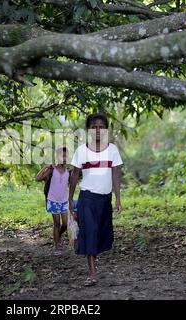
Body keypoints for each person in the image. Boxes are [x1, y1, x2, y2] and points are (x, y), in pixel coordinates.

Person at [69, 113, 123, 286]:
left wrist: (118, 199)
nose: (98, 130)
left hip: (104, 200)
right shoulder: (81, 151)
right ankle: (92, 273)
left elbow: (115, 174)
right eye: (94, 127)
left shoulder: (112, 150)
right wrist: (70, 199)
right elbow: (75, 176)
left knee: (100, 234)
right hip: (87, 199)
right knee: (90, 232)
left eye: (101, 127)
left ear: (106, 130)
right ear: (88, 130)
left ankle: (92, 259)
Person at [36, 146, 71, 255]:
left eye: (66, 156)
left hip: (64, 200)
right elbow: (37, 178)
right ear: (57, 156)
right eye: (62, 155)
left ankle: (58, 237)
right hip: (53, 200)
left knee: (65, 224)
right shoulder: (52, 169)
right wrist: (44, 167)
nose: (64, 158)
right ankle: (57, 246)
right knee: (57, 223)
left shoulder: (69, 170)